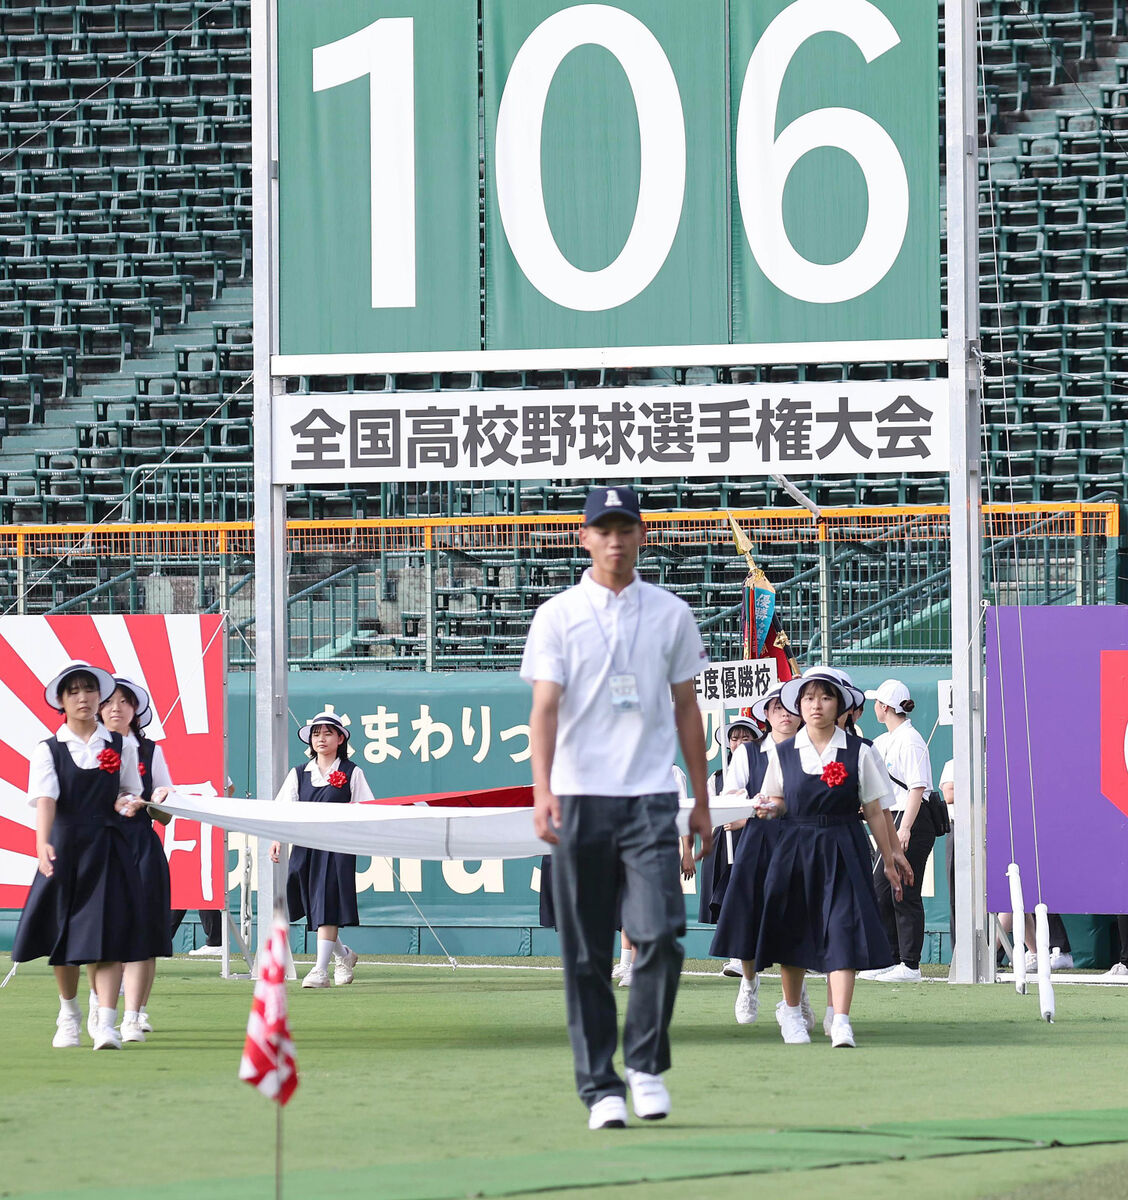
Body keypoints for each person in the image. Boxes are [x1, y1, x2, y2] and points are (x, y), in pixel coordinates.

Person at [523, 485, 712, 1131]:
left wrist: (701, 800)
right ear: (584, 537)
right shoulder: (558, 614)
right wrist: (543, 789)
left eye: (624, 527)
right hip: (579, 798)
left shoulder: (670, 613)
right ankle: (601, 1088)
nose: (614, 539)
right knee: (584, 952)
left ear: (640, 534)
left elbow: (688, 709)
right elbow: (544, 709)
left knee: (661, 933)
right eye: (601, 528)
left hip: (650, 798)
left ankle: (644, 1065)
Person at [753, 669, 905, 1048]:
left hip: (844, 845)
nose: (815, 705)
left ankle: (840, 1020)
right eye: (808, 698)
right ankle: (790, 1013)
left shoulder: (861, 751)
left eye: (824, 698)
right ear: (798, 705)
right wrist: (766, 809)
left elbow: (873, 808)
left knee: (843, 928)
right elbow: (776, 800)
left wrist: (890, 858)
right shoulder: (782, 752)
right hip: (795, 849)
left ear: (839, 705)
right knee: (794, 930)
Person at [11, 661, 147, 1050]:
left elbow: (127, 791)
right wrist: (42, 844)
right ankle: (68, 1015)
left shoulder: (122, 744)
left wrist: (128, 804)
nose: (84, 697)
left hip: (108, 849)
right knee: (64, 938)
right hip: (65, 848)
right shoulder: (48, 750)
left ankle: (106, 1024)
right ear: (62, 702)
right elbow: (47, 801)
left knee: (108, 934)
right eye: (74, 692)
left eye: (90, 690)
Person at [709, 687, 808, 1027]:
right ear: (765, 714)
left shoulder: (813, 750)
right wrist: (742, 805)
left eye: (790, 707)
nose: (784, 714)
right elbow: (730, 801)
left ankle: (797, 993)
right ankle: (749, 984)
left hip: (799, 842)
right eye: (776, 708)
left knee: (795, 919)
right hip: (758, 842)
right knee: (748, 916)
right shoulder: (748, 753)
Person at [90, 677, 173, 1044]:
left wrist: (157, 801)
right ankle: (98, 1005)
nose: (116, 708)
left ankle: (133, 1017)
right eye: (109, 701)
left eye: (125, 702)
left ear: (136, 710)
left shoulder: (150, 750)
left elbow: (165, 817)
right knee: (99, 931)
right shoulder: (82, 749)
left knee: (142, 932)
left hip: (140, 845)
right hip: (98, 846)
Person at [269, 711, 374, 987]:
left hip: (337, 847)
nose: (321, 739)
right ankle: (344, 955)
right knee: (314, 905)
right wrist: (277, 838)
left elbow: (368, 809)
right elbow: (283, 809)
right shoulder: (299, 773)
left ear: (341, 738)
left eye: (328, 733)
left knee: (326, 902)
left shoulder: (352, 772)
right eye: (316, 734)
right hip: (305, 847)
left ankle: (319, 970)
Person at [863, 679, 935, 984]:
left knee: (903, 891)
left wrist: (904, 828)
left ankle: (909, 964)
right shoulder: (885, 740)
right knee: (882, 889)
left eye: (877, 703)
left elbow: (918, 786)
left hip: (912, 819)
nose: (874, 708)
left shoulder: (910, 739)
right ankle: (891, 958)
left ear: (884, 707)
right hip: (892, 819)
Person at [695, 716, 759, 979]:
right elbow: (709, 810)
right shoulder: (718, 776)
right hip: (726, 840)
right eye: (735, 738)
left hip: (755, 837)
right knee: (726, 897)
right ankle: (736, 955)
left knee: (750, 896)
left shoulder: (763, 770)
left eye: (745, 738)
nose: (739, 743)